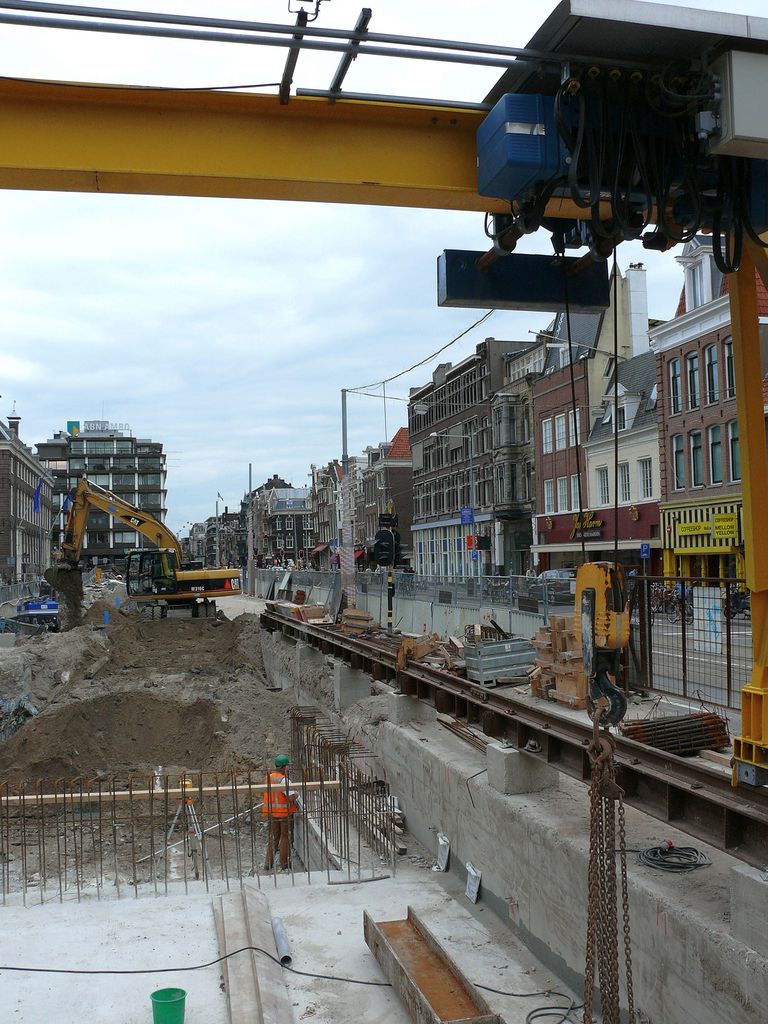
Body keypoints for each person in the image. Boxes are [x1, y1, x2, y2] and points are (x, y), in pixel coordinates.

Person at [262, 753, 297, 871]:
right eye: (288, 766)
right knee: (285, 837)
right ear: (284, 767)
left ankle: (268, 863)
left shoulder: (269, 777)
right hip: (283, 814)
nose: (289, 768)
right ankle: (284, 863)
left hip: (272, 813)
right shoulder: (284, 780)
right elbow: (291, 797)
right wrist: (296, 794)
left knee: (273, 837)